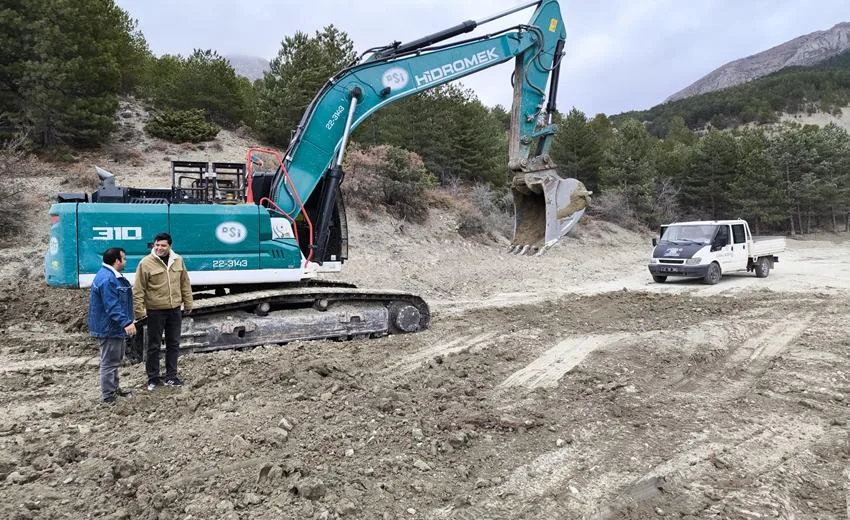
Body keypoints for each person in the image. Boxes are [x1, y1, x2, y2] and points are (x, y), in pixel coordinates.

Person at [133, 232, 193, 391]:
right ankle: (153, 378)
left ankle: (171, 377)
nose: (159, 248)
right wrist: (139, 311)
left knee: (174, 344)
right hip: (155, 311)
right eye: (157, 245)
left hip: (174, 310)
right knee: (154, 346)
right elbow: (138, 289)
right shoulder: (145, 263)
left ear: (170, 246)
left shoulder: (178, 260)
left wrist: (188, 302)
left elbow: (184, 283)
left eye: (163, 245)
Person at [88, 247, 137, 403]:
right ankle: (109, 395)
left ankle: (114, 390)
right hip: (109, 327)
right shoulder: (108, 279)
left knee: (114, 360)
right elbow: (112, 306)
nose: (125, 261)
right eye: (124, 258)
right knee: (109, 362)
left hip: (111, 326)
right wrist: (126, 322)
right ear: (117, 260)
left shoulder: (110, 276)